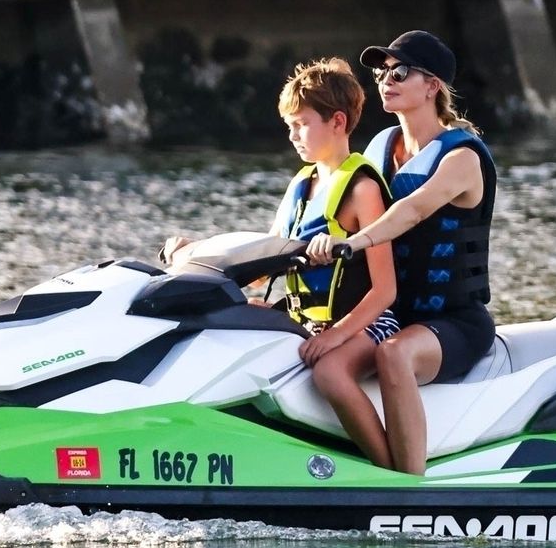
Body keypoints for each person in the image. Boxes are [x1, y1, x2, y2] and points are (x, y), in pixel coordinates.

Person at [161, 58, 401, 468]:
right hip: (305, 318)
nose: (292, 135)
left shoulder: (361, 190)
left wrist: (335, 337)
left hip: (367, 322)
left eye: (301, 124)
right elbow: (264, 264)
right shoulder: (302, 185)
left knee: (329, 374)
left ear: (338, 122)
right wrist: (197, 254)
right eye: (289, 125)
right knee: (223, 329)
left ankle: (391, 476)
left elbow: (385, 290)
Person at [306, 30, 497, 475]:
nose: (386, 80)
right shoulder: (379, 147)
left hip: (454, 322)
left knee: (394, 354)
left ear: (432, 86)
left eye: (401, 72)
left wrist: (352, 243)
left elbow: (412, 210)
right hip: (391, 316)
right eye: (381, 71)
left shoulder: (462, 157)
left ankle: (408, 487)